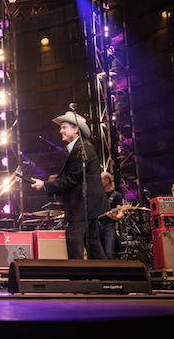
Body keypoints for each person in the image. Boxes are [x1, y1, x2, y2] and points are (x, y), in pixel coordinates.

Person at [30, 111, 109, 260]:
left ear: (75, 129)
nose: (61, 131)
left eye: (64, 127)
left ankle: (78, 280)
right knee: (93, 244)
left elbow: (70, 180)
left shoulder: (81, 150)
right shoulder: (81, 148)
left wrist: (45, 185)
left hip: (82, 206)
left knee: (74, 240)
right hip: (87, 205)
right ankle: (109, 280)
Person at [99, 171, 124, 260]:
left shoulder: (116, 195)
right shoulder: (99, 195)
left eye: (101, 180)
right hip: (97, 226)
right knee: (98, 254)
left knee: (109, 253)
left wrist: (115, 217)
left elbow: (120, 213)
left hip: (109, 227)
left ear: (107, 181)